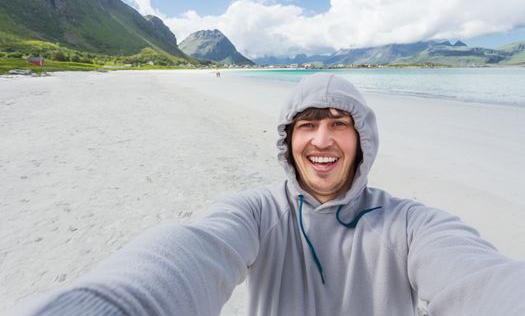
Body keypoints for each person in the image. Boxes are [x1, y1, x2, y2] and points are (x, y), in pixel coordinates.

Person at [11, 73, 525, 316]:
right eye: (307, 125)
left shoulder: (411, 225)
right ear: (287, 139)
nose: (322, 139)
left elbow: (481, 278)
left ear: (363, 138)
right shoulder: (257, 213)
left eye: (339, 124)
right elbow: (188, 254)